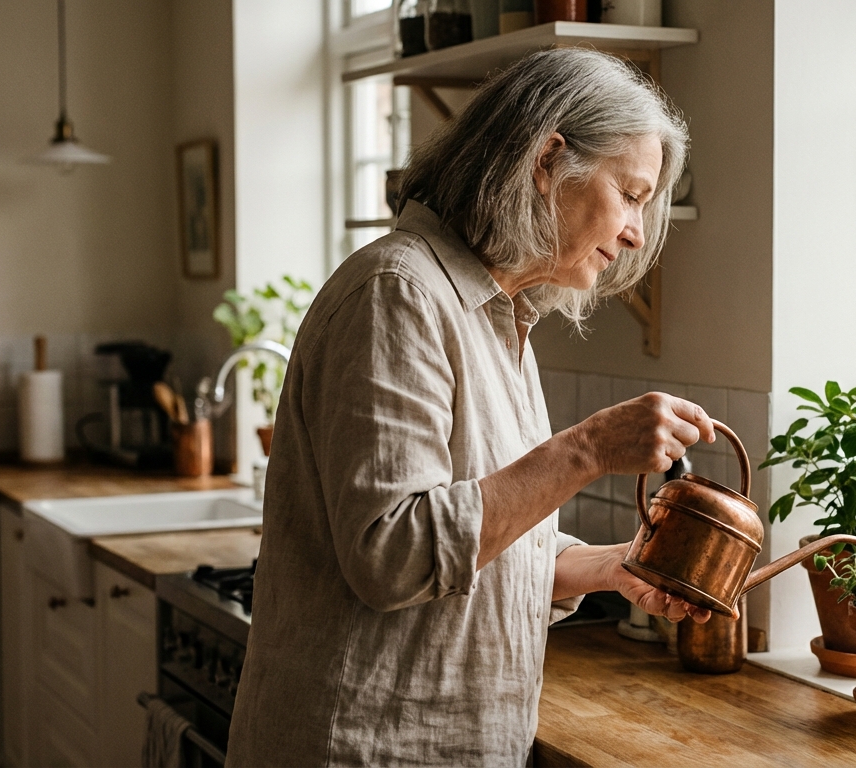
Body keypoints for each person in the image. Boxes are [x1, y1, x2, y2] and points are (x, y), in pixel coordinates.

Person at [226, 48, 713, 767]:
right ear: (547, 162)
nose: (638, 231)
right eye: (632, 194)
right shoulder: (397, 294)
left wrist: (610, 566)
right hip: (363, 749)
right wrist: (585, 451)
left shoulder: (498, 315)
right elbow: (394, 555)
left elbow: (479, 549)